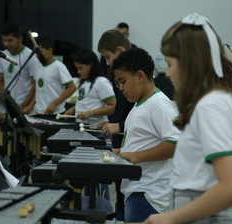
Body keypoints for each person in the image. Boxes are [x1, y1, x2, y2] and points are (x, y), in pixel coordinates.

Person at [144, 13, 232, 224]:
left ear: (189, 63)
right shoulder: (228, 101)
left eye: (170, 64)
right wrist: (225, 205)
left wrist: (171, 217)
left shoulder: (210, 106)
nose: (169, 74)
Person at [110, 47, 180, 223]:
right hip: (137, 191)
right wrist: (119, 155)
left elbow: (176, 143)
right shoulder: (140, 104)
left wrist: (136, 156)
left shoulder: (159, 105)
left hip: (148, 195)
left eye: (123, 81)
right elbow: (142, 142)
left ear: (140, 76)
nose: (120, 88)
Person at [96, 29, 135, 221]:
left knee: (127, 202)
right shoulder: (125, 77)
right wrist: (113, 123)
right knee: (122, 198)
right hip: (122, 149)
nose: (108, 63)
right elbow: (125, 111)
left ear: (119, 50)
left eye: (108, 57)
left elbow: (140, 115)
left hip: (132, 154)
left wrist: (119, 126)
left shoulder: (134, 77)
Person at [0, 21, 42, 113]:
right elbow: (1, 80)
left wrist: (24, 105)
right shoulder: (2, 55)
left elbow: (35, 86)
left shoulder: (30, 57)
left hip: (22, 108)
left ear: (20, 39)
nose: (6, 44)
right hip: (5, 108)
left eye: (10, 40)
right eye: (4, 40)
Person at [25, 34, 76, 114]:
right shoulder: (37, 66)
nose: (37, 55)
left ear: (49, 50)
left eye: (40, 52)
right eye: (36, 52)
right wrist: (31, 105)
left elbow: (72, 88)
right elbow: (38, 88)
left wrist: (54, 103)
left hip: (55, 113)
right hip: (38, 112)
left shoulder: (59, 66)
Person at [64, 48, 116, 128]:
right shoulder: (84, 82)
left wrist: (91, 113)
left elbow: (113, 107)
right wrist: (74, 109)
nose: (78, 72)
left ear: (91, 64)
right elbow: (88, 102)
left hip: (94, 129)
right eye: (77, 68)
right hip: (81, 127)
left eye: (81, 68)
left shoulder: (101, 82)